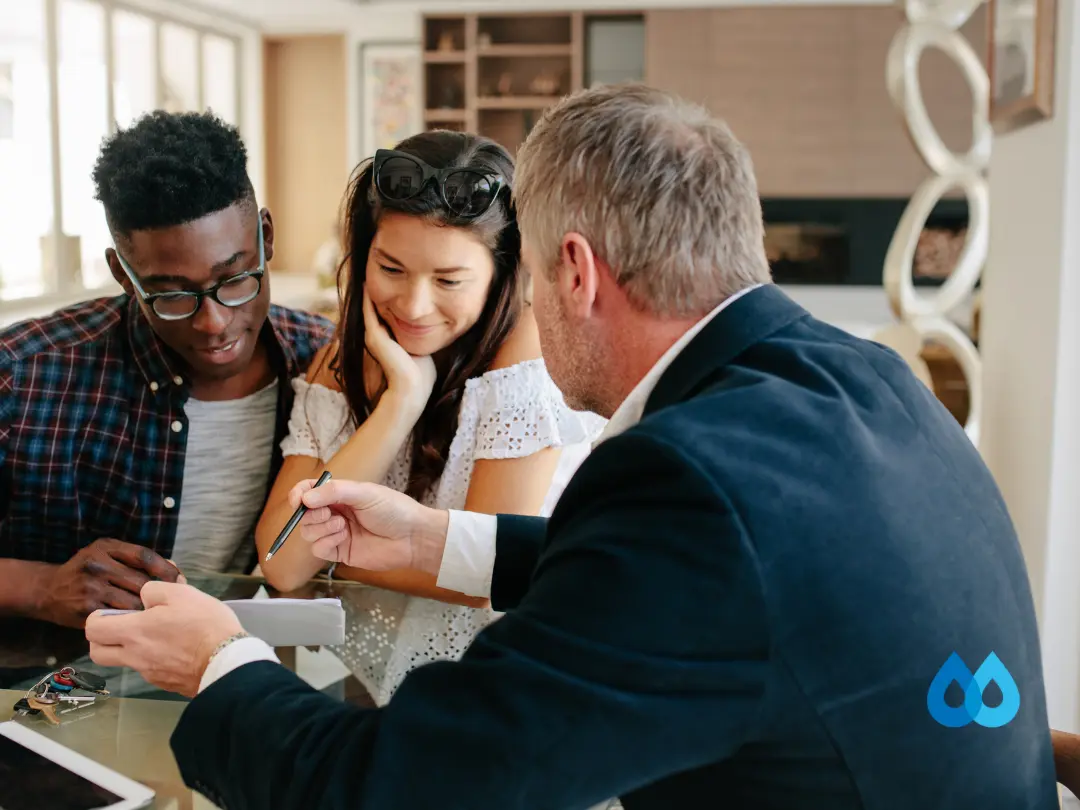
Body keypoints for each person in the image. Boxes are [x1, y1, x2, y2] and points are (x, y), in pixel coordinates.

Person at [86, 85, 1058, 809]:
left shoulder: (688, 477)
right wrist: (439, 543)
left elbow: (405, 791)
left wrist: (221, 665)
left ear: (575, 271)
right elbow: (725, 587)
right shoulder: (871, 380)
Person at [253, 131, 604, 703]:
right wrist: (399, 405)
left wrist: (338, 559)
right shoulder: (341, 361)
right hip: (377, 680)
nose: (415, 306)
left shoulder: (528, 360)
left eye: (448, 281)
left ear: (502, 274)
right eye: (390, 268)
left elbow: (482, 573)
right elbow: (284, 563)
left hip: (510, 689)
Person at [0, 110, 331, 629]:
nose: (215, 323)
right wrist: (39, 587)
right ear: (123, 275)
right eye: (172, 295)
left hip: (249, 685)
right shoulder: (22, 373)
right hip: (53, 695)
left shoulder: (325, 366)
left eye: (236, 278)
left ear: (266, 236)